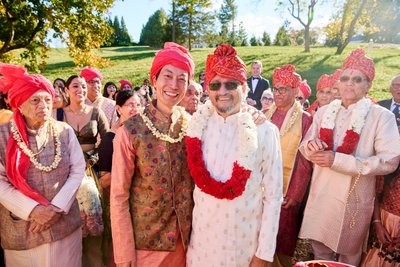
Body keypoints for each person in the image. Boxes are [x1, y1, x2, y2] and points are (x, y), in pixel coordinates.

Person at [298, 49, 400, 266]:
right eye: (345, 78)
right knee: (320, 253)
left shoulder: (382, 117)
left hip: (353, 199)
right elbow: (305, 145)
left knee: (349, 257)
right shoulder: (325, 111)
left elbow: (390, 160)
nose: (349, 84)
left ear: (368, 85)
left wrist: (340, 161)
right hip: (322, 194)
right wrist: (311, 146)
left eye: (357, 79)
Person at [186, 44, 283, 267]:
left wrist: (264, 254)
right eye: (215, 84)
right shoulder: (197, 127)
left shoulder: (265, 132)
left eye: (231, 84)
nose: (222, 91)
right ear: (207, 89)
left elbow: (273, 196)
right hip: (201, 246)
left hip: (242, 247)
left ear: (245, 88)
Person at [110, 42, 195, 267]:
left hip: (188, 242)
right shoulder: (130, 131)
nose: (174, 85)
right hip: (146, 246)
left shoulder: (194, 125)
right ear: (154, 80)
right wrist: (123, 252)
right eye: (167, 76)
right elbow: (118, 196)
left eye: (182, 79)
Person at [0, 63, 85, 267]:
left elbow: (78, 169)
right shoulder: (2, 136)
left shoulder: (64, 131)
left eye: (47, 99)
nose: (43, 106)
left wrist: (56, 208)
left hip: (64, 225)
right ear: (19, 104)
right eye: (35, 100)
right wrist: (33, 210)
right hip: (24, 229)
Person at [264, 64, 313, 267]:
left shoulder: (305, 120)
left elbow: (305, 160)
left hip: (287, 191)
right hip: (262, 187)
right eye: (275, 88)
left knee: (282, 234)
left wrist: (295, 194)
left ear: (295, 91)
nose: (278, 93)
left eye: (283, 89)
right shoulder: (266, 114)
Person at [63, 74, 110, 267]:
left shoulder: (96, 112)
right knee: (73, 220)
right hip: (66, 173)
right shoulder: (57, 114)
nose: (80, 90)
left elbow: (108, 140)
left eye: (83, 86)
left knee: (94, 219)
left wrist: (93, 158)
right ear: (67, 90)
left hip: (92, 171)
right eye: (75, 86)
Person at [98, 90, 142, 267]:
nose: (136, 109)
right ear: (118, 109)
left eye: (138, 104)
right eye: (131, 105)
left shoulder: (141, 133)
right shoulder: (111, 139)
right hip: (122, 203)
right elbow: (104, 179)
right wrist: (128, 172)